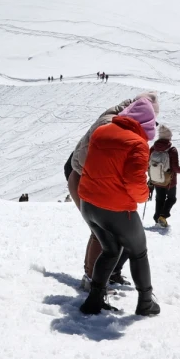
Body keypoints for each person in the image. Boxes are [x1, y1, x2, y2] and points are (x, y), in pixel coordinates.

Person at [65, 92, 159, 288]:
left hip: (94, 180)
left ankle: (109, 274)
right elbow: (90, 161)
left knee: (117, 234)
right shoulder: (110, 124)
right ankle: (92, 280)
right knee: (102, 232)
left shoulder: (121, 120)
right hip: (84, 179)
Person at [150, 125, 180, 227]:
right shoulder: (172, 150)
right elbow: (175, 168)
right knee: (172, 199)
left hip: (156, 178)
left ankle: (157, 218)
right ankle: (163, 216)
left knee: (159, 198)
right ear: (168, 137)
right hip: (169, 180)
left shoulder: (153, 148)